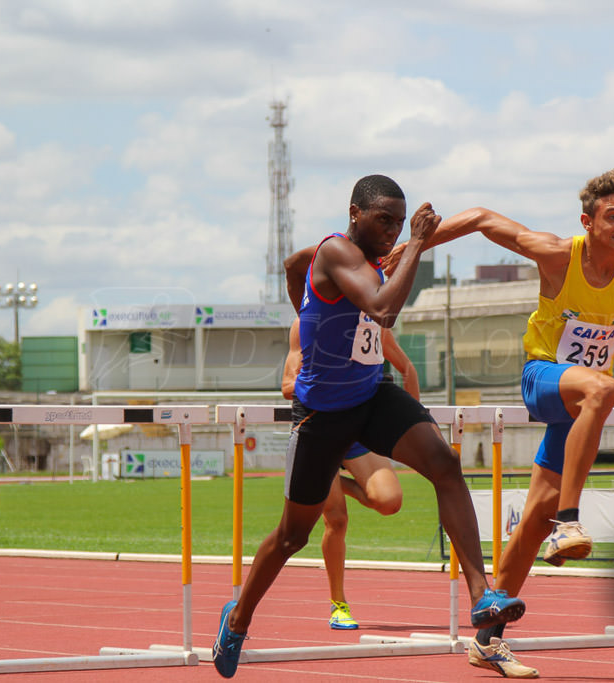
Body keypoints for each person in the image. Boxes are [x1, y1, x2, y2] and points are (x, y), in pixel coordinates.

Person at [385, 169, 614, 678]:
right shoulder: (555, 254)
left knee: (532, 520)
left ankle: (488, 638)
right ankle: (570, 521)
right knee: (605, 387)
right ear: (587, 222)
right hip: (544, 377)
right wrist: (416, 244)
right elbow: (481, 218)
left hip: (580, 408)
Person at [211, 174, 525, 679]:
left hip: (371, 394)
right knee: (294, 536)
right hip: (322, 415)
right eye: (384, 220)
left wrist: (308, 304)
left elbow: (296, 267)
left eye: (399, 224)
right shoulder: (335, 253)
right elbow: (383, 309)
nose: (392, 231)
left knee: (444, 464)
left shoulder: (369, 257)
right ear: (353, 213)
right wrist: (416, 243)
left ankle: (482, 595)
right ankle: (239, 616)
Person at [279, 270, 419, 630]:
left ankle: (333, 480)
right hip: (321, 426)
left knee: (389, 501)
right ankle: (338, 604)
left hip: (358, 431)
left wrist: (415, 430)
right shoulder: (305, 323)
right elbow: (286, 385)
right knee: (335, 519)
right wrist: (323, 377)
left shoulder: (373, 322)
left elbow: (408, 369)